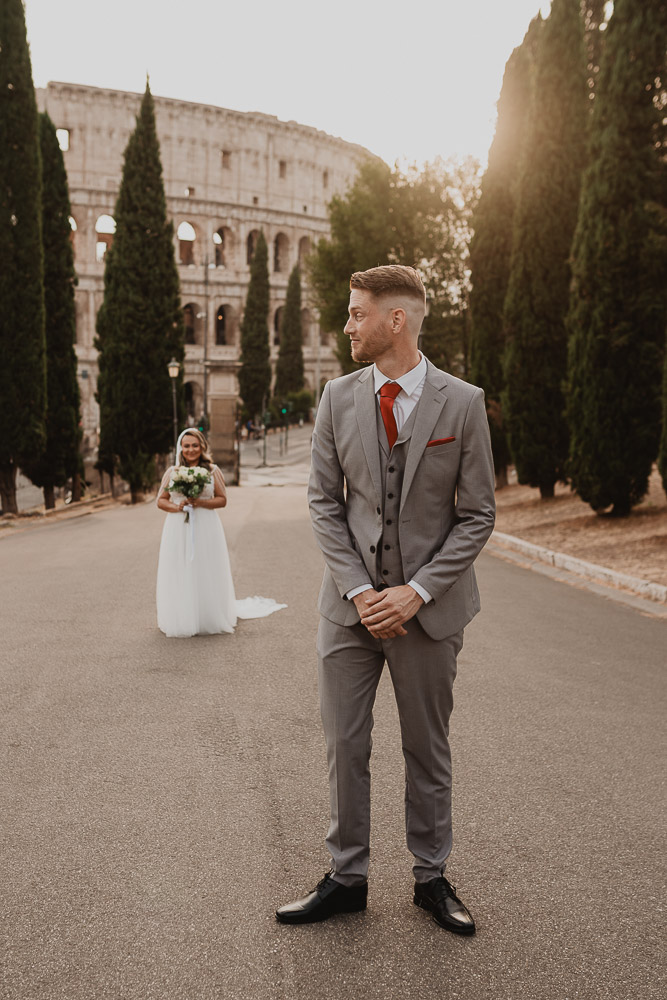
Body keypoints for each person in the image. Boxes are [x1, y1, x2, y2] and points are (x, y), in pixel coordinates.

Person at [276, 265, 496, 934]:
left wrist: (417, 592)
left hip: (428, 614)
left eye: (355, 314)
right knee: (343, 745)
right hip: (347, 611)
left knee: (426, 748)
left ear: (394, 320)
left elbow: (477, 513)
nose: (346, 326)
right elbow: (323, 502)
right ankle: (346, 877)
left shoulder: (460, 402)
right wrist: (359, 589)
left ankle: (430, 879)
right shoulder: (337, 398)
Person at [156, 428, 285, 637]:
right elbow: (160, 501)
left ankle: (208, 614)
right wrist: (179, 507)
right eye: (187, 446)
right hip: (178, 527)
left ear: (202, 447)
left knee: (205, 567)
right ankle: (182, 616)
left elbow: (222, 500)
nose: (191, 450)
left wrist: (200, 502)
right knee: (180, 568)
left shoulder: (212, 470)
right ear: (181, 447)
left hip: (206, 525)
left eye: (195, 445)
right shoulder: (172, 472)